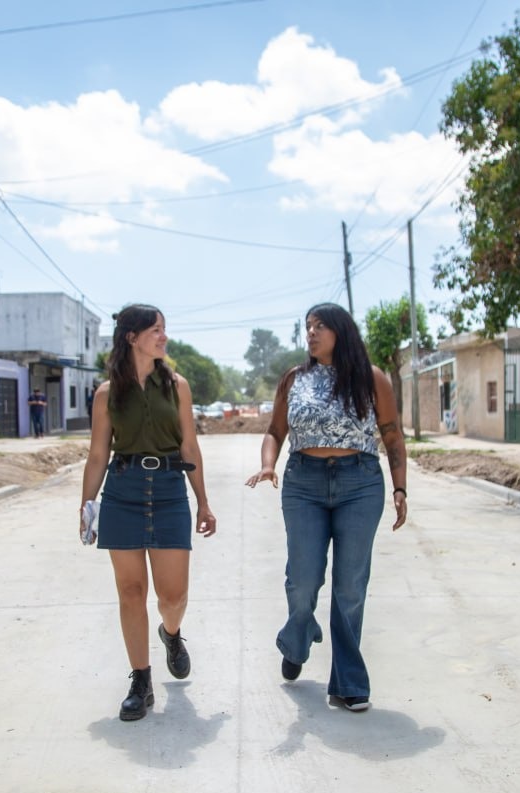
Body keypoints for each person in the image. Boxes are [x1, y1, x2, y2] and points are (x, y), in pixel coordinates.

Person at [245, 302, 407, 713]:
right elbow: (275, 431)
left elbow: (392, 435)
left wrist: (400, 487)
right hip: (304, 484)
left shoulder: (372, 379)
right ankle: (297, 637)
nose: (311, 333)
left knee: (350, 585)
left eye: (320, 326)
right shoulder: (294, 379)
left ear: (341, 331)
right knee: (302, 580)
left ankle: (349, 682)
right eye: (308, 326)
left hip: (360, 483)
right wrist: (268, 464)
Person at [80, 304, 217, 721]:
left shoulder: (177, 386)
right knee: (131, 591)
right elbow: (98, 454)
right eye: (156, 330)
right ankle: (141, 681)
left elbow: (189, 445)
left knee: (173, 597)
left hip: (171, 489)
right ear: (132, 337)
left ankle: (171, 633)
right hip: (123, 490)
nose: (164, 337)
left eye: (163, 329)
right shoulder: (107, 394)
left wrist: (203, 501)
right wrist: (87, 506)